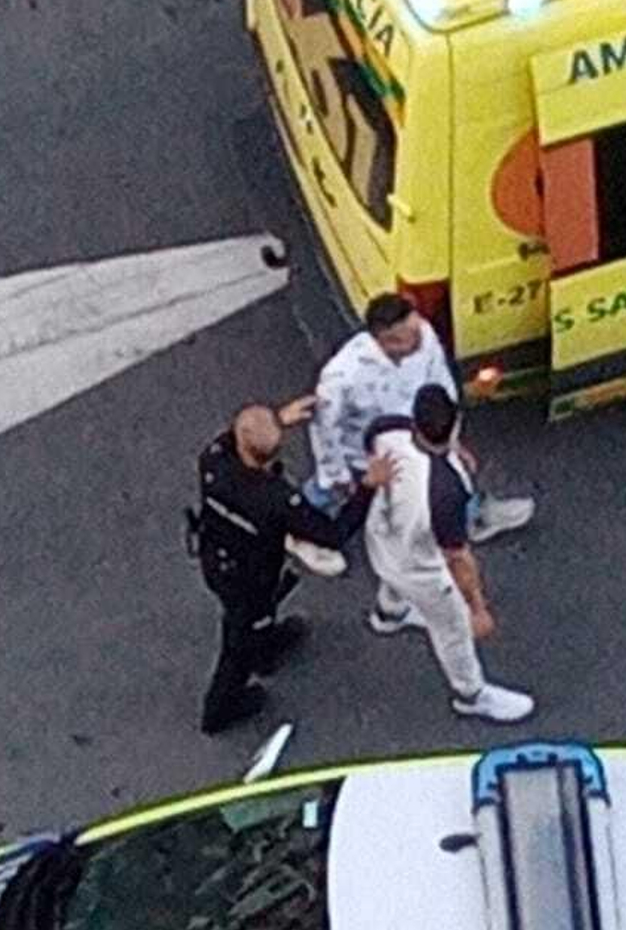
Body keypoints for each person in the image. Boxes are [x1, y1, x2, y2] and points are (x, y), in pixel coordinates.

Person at [291, 292, 533, 576]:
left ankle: (472, 517)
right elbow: (325, 428)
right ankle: (299, 529)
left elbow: (440, 381)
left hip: (418, 437)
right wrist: (337, 474)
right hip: (364, 454)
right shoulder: (342, 377)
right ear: (386, 340)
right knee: (329, 490)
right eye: (411, 336)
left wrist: (450, 437)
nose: (421, 339)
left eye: (417, 327)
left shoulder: (424, 335)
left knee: (447, 479)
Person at [192, 399, 369, 732]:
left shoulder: (212, 463)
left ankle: (265, 644)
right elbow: (331, 534)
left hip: (216, 557)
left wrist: (274, 423)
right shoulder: (276, 499)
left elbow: (234, 438)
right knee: (237, 646)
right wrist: (367, 490)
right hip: (251, 578)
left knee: (254, 619)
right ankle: (220, 709)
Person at [365, 385, 533, 721]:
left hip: (382, 534)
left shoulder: (389, 430)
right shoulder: (446, 489)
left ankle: (389, 614)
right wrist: (476, 607)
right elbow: (456, 556)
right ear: (455, 424)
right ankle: (470, 694)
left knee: (392, 575)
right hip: (420, 568)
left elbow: (371, 442)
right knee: (452, 630)